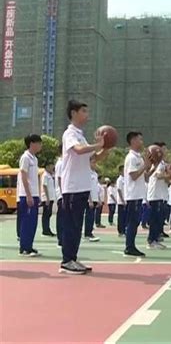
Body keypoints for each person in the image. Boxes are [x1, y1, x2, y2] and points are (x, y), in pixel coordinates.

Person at [60, 100, 108, 274]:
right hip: (72, 187)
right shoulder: (69, 134)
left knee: (77, 226)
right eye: (83, 111)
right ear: (73, 113)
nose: (87, 115)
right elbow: (79, 150)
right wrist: (97, 145)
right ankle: (66, 261)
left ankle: (72, 258)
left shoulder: (81, 135)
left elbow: (92, 159)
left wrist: (106, 148)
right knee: (71, 226)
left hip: (82, 187)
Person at [123, 131, 152, 257]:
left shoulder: (139, 157)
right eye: (139, 139)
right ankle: (129, 246)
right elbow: (133, 175)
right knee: (132, 222)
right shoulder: (131, 158)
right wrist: (144, 166)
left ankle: (131, 245)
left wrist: (150, 167)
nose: (142, 142)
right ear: (133, 141)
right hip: (132, 195)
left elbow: (144, 177)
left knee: (136, 222)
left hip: (138, 194)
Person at [17, 134, 43, 257]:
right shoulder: (25, 157)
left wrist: (37, 195)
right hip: (26, 194)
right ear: (32, 143)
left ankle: (29, 245)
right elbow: (23, 175)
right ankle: (24, 248)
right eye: (39, 143)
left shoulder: (34, 158)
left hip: (34, 194)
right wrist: (28, 195)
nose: (40, 146)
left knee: (33, 222)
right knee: (26, 221)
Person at [84, 159, 100, 242]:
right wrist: (89, 200)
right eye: (93, 162)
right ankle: (87, 233)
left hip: (94, 198)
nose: (94, 164)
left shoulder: (95, 174)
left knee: (92, 217)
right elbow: (87, 187)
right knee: (89, 216)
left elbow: (96, 188)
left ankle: (90, 231)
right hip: (89, 199)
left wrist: (98, 199)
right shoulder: (87, 173)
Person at [40, 162, 56, 237]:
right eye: (50, 166)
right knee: (46, 214)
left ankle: (47, 229)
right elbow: (44, 186)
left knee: (48, 214)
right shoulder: (45, 175)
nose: (52, 167)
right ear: (46, 167)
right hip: (47, 198)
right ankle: (45, 230)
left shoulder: (50, 175)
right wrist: (47, 198)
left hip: (50, 198)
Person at [55, 144, 64, 247]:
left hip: (64, 194)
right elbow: (60, 179)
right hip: (62, 195)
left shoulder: (64, 162)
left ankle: (63, 238)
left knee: (64, 218)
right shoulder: (61, 163)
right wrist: (63, 194)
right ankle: (61, 239)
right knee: (62, 217)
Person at [116, 165, 126, 237]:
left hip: (126, 200)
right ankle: (120, 231)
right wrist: (122, 200)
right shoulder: (119, 180)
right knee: (121, 217)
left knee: (125, 217)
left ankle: (124, 230)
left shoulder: (125, 179)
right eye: (123, 170)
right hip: (121, 201)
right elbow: (119, 190)